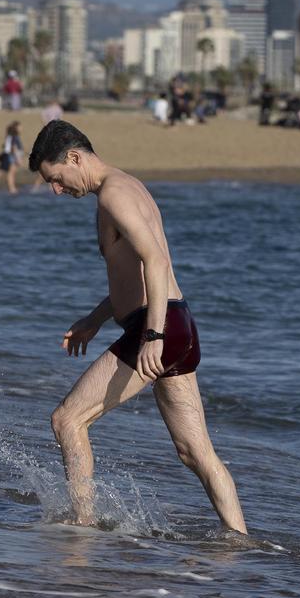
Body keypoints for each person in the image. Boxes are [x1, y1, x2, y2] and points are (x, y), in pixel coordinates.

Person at [28, 120, 247, 533]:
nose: (56, 190)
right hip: (177, 323)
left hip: (159, 329)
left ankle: (82, 532)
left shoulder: (114, 195)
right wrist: (94, 321)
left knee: (67, 421)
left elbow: (157, 263)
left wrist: (153, 335)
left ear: (75, 158)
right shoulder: (128, 186)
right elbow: (134, 281)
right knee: (196, 453)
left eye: (56, 179)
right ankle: (240, 543)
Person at [0, 121, 24, 194]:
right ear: (16, 128)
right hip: (13, 156)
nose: (21, 128)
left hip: (11, 155)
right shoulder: (14, 136)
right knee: (10, 173)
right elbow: (13, 148)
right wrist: (18, 158)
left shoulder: (11, 136)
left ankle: (12, 188)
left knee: (6, 171)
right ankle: (11, 189)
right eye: (20, 127)